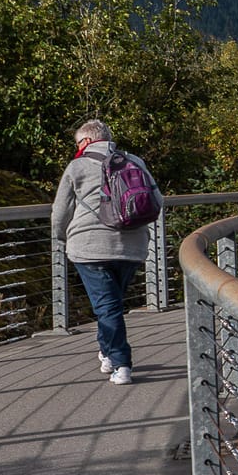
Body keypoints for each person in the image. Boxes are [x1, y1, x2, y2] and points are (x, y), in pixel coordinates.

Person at [51, 119, 158, 385]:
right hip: (132, 247)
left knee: (107, 307)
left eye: (77, 143)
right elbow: (158, 200)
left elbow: (60, 212)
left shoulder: (77, 166)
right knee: (110, 305)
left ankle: (122, 364)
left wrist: (62, 236)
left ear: (85, 142)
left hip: (90, 248)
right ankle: (107, 353)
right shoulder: (134, 161)